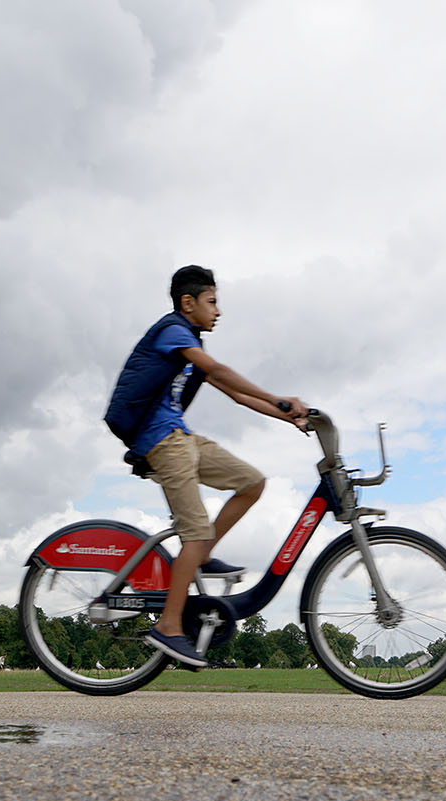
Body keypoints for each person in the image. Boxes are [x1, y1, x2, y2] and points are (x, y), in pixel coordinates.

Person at [104, 265, 308, 668]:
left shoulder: (189, 345)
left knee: (251, 482)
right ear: (188, 302)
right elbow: (218, 371)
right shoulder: (172, 332)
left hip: (182, 437)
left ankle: (200, 555)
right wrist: (280, 397)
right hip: (160, 441)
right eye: (212, 302)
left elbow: (234, 394)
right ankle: (169, 626)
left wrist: (288, 415)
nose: (218, 311)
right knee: (194, 532)